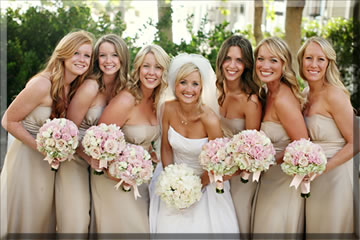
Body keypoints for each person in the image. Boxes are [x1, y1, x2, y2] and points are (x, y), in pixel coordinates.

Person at [0, 30, 94, 237]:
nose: (81, 59)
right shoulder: (43, 83)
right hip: (27, 159)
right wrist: (44, 149)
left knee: (42, 222)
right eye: (76, 53)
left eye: (87, 55)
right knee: (26, 218)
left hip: (48, 165)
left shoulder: (71, 88)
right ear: (63, 53)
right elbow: (8, 120)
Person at [149, 53, 240, 234]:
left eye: (195, 84)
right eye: (183, 82)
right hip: (173, 179)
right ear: (175, 84)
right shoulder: (167, 108)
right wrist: (171, 182)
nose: (188, 89)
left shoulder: (210, 120)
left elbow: (217, 163)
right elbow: (166, 148)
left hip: (205, 181)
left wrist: (194, 188)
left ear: (201, 88)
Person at [55, 34, 129, 235]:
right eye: (102, 55)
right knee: (77, 222)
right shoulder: (90, 86)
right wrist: (89, 157)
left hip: (101, 163)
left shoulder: (124, 89)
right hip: (75, 158)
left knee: (104, 220)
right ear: (96, 59)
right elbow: (68, 132)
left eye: (114, 55)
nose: (108, 61)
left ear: (123, 57)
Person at [90, 44, 170, 233]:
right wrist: (119, 175)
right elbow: (98, 147)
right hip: (113, 181)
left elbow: (142, 140)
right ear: (138, 68)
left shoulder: (157, 101)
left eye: (158, 67)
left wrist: (150, 154)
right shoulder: (126, 100)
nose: (152, 73)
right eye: (146, 66)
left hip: (139, 180)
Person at [297, 36, 357, 237]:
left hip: (335, 177)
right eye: (309, 58)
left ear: (328, 63)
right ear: (301, 61)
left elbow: (356, 142)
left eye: (320, 59)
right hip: (312, 178)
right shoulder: (304, 94)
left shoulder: (334, 95)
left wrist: (323, 168)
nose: (314, 64)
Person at [251, 37, 309, 237]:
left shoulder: (284, 99)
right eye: (261, 59)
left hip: (283, 183)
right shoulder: (266, 92)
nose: (265, 65)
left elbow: (303, 145)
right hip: (268, 179)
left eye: (273, 60)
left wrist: (265, 159)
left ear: (284, 64)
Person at [215, 35, 262, 236]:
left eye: (239, 60)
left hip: (241, 175)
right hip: (217, 170)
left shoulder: (250, 101)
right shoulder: (215, 91)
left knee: (239, 222)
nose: (232, 65)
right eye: (228, 58)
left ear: (247, 65)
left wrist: (225, 173)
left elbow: (252, 154)